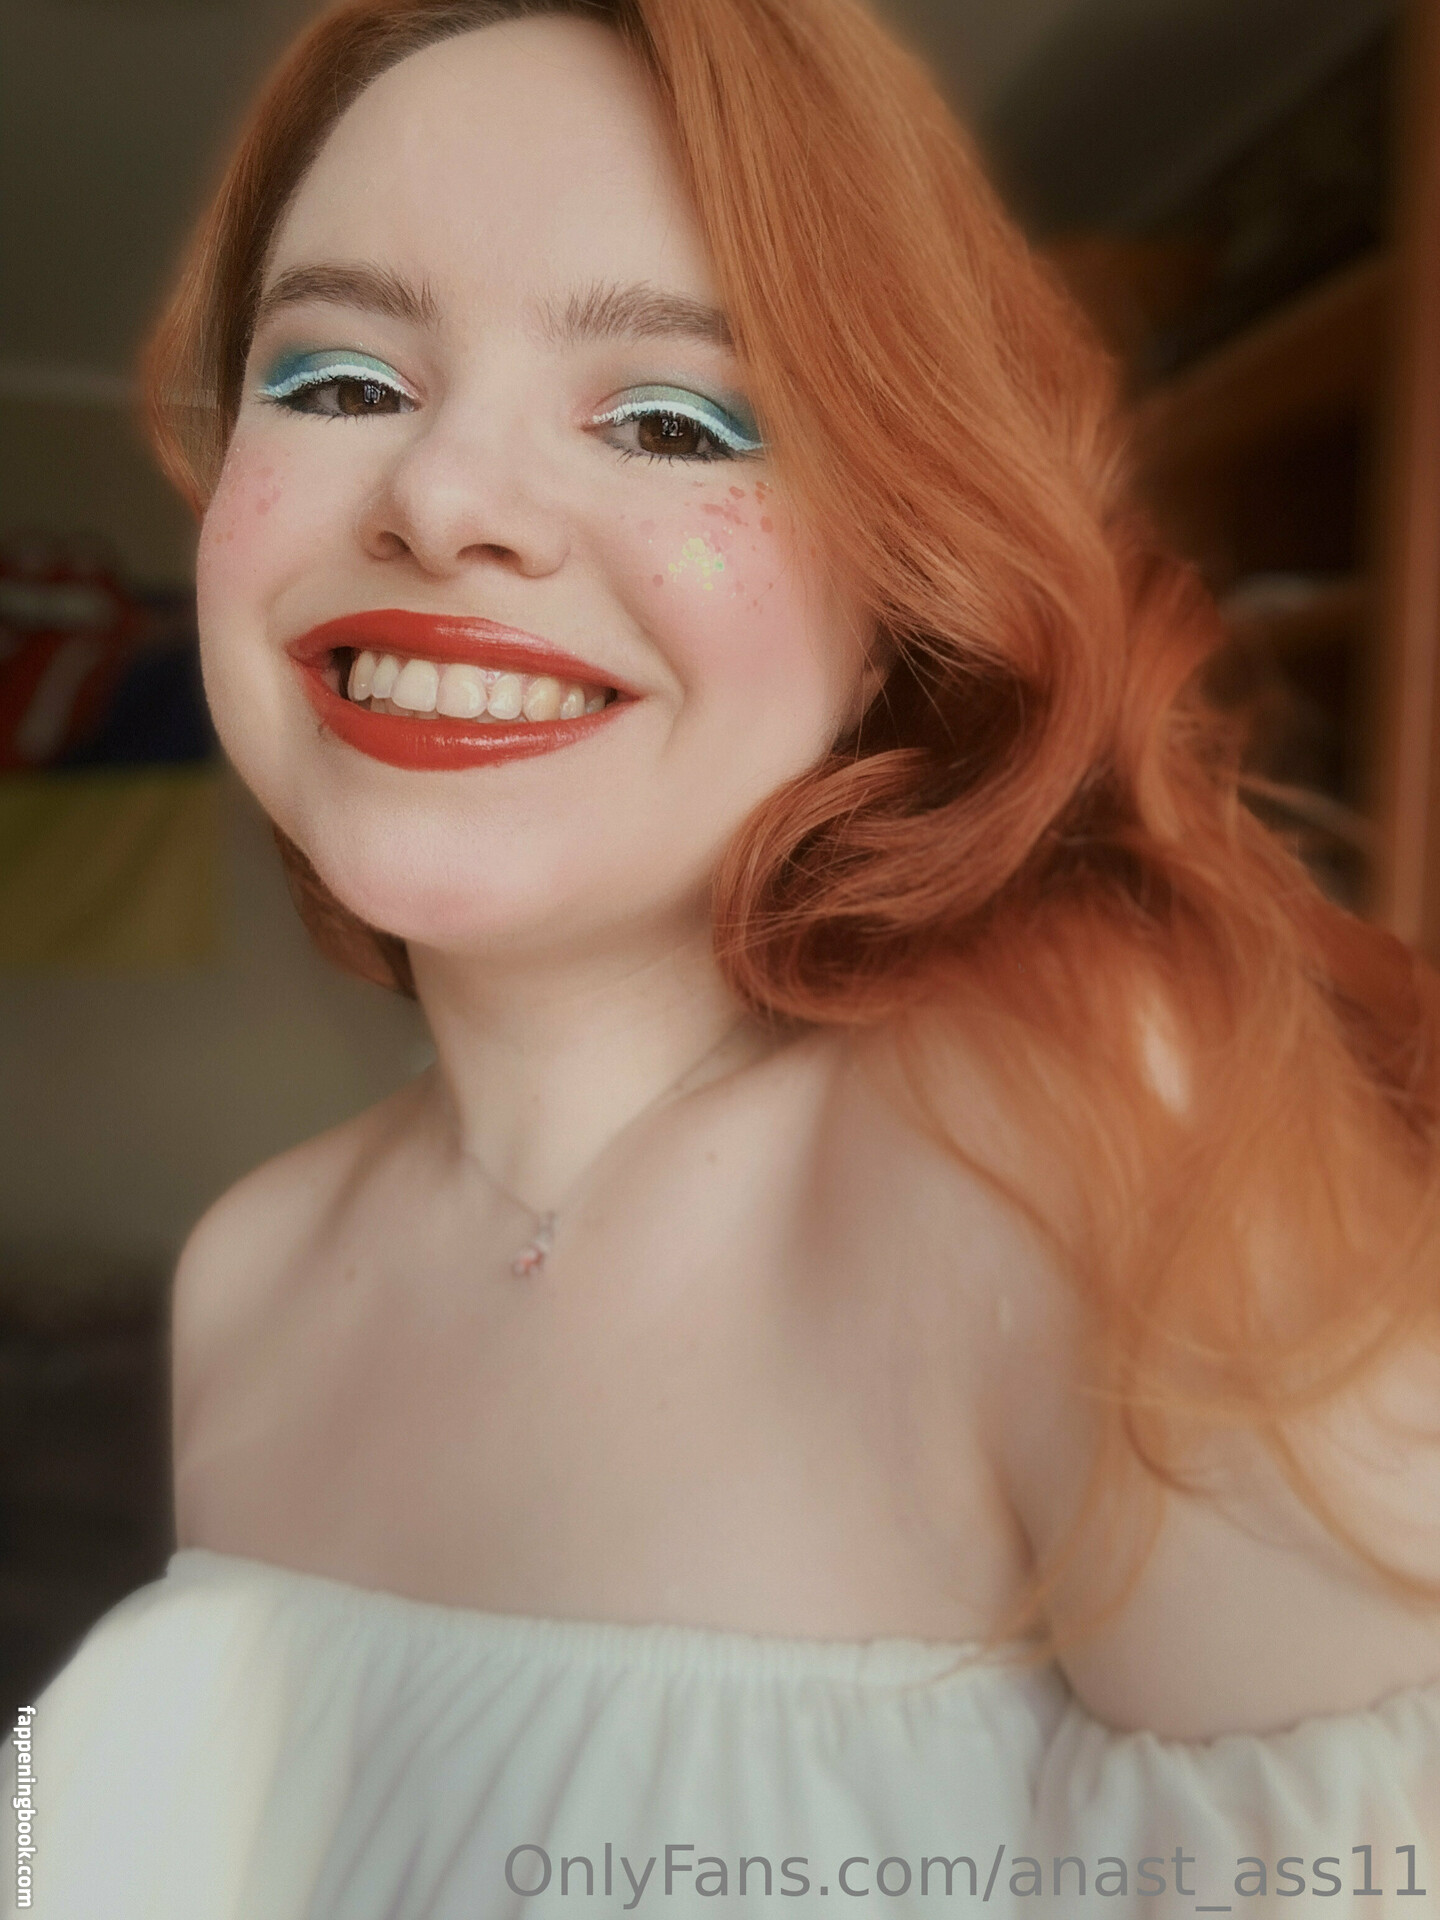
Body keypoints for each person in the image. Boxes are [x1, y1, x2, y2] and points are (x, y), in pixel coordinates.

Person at [10, 1, 1439, 1914]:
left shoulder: (1085, 1154)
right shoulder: (243, 1272)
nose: (438, 500)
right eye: (338, 381)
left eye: (677, 419)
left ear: (896, 583)